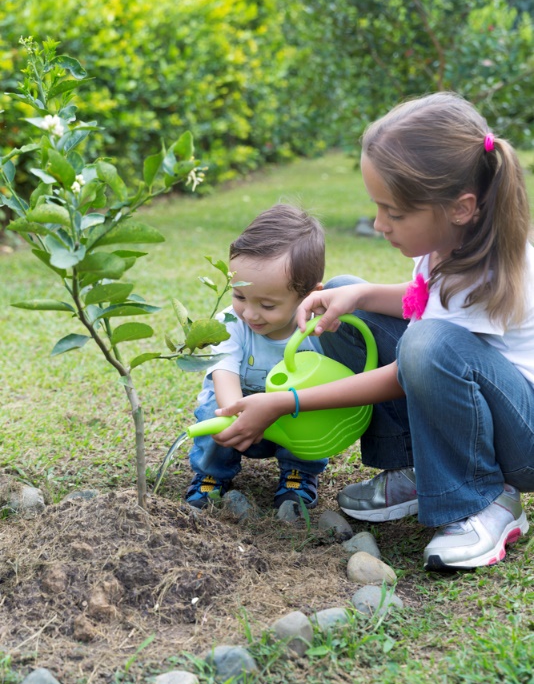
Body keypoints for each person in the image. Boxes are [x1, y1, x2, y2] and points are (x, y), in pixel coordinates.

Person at [212, 92, 534, 571]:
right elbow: (419, 302)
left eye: (396, 213)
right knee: (349, 295)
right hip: (479, 399)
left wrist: (286, 402)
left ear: (461, 207)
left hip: (520, 438)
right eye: (378, 208)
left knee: (426, 348)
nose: (380, 224)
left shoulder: (490, 271)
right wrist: (356, 297)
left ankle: (483, 499)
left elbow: (412, 366)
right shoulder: (450, 243)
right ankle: (417, 469)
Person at [186, 203, 328, 509]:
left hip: (290, 411)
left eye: (267, 304)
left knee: (313, 412)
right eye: (239, 296)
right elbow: (223, 374)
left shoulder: (318, 332)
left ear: (309, 296)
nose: (249, 312)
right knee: (215, 412)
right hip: (239, 408)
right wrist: (236, 415)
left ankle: (299, 473)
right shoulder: (229, 324)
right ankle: (212, 474)